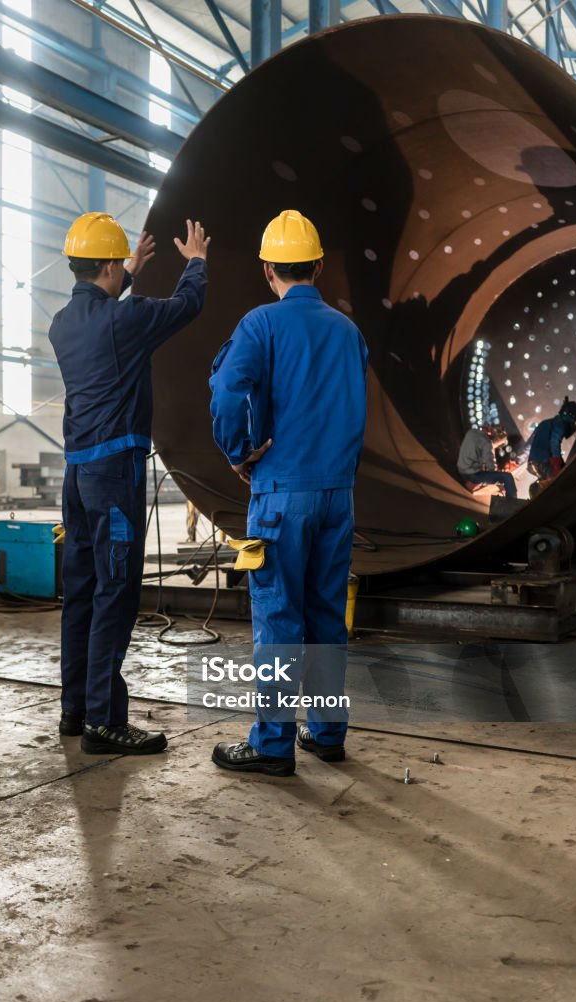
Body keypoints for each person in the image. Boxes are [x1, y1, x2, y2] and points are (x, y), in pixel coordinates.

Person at [208, 210, 368, 777]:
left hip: (281, 495)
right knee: (326, 616)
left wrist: (238, 451)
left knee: (278, 619)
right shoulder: (349, 331)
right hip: (337, 497)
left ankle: (273, 746)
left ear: (267, 269)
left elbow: (229, 390)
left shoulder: (260, 325)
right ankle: (326, 734)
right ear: (319, 266)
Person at [49, 212, 210, 755]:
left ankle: (75, 708)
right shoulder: (129, 318)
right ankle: (104, 721)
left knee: (83, 591)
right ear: (112, 265)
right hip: (115, 475)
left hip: (78, 476)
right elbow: (187, 306)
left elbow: (106, 319)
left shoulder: (62, 323)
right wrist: (197, 265)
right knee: (116, 592)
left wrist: (129, 274)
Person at [527, 396, 576, 494]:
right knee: (559, 484)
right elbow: (554, 441)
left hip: (534, 463)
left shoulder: (546, 422)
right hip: (543, 463)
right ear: (570, 416)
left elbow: (530, 443)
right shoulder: (560, 424)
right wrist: (557, 462)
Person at [457, 422, 517, 498]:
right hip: (468, 477)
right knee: (507, 477)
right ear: (499, 444)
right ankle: (512, 503)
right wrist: (500, 485)